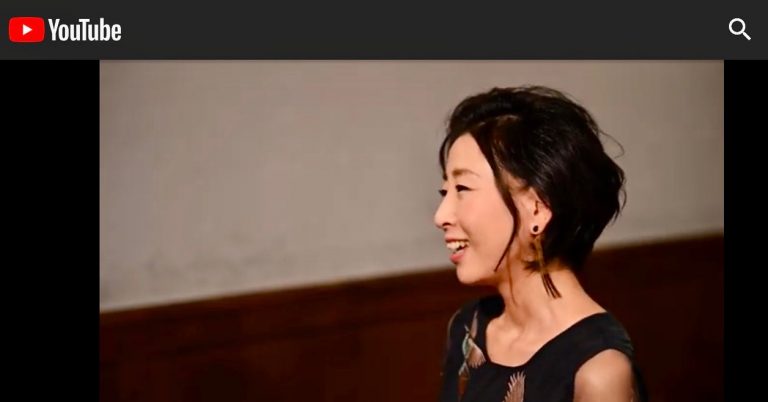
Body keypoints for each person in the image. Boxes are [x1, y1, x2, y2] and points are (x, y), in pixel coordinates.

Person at [434, 86, 647, 402]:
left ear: (537, 208)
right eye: (444, 192)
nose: (440, 216)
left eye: (462, 188)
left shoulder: (598, 370)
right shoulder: (468, 328)